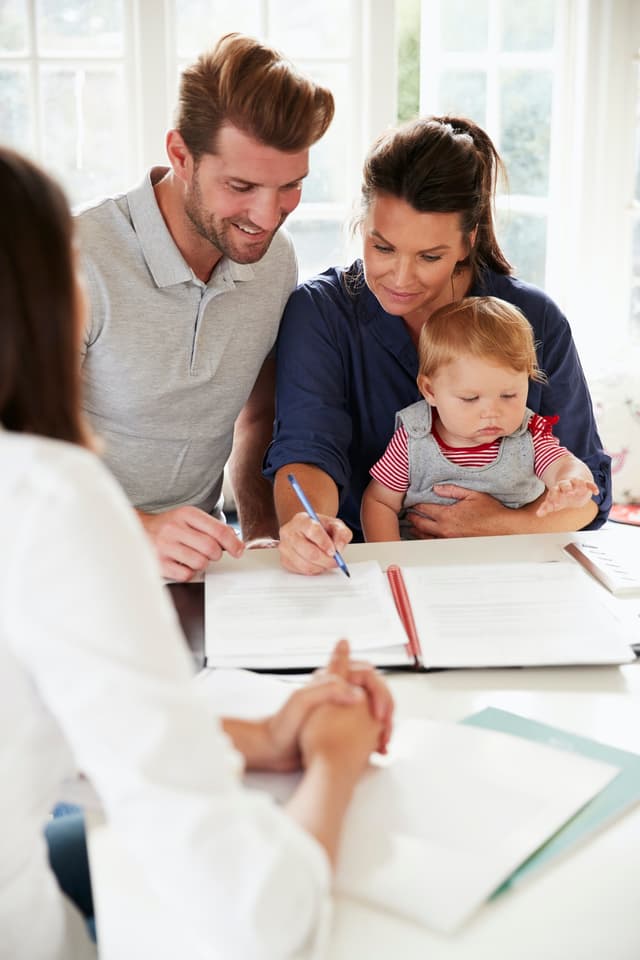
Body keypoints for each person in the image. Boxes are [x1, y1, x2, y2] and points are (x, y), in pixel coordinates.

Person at [0, 146, 393, 960]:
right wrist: (335, 764)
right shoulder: (45, 496)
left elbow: (40, 728)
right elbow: (256, 916)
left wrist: (262, 735)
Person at [263, 115, 611, 575]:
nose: (401, 279)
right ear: (362, 224)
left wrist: (504, 524)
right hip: (362, 574)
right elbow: (308, 450)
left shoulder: (535, 318)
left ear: (468, 242)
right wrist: (308, 523)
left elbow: (588, 490)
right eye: (382, 248)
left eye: (430, 257)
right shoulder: (321, 314)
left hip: (508, 574)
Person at [76, 32, 335, 582]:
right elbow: (18, 458)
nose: (267, 216)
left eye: (291, 186)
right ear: (180, 156)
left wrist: (263, 532)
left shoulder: (274, 262)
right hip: (73, 562)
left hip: (203, 570)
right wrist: (137, 529)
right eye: (241, 185)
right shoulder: (73, 259)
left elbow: (256, 419)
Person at [361, 296, 599, 541]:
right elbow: (379, 502)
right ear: (430, 391)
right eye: (470, 398)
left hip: (510, 565)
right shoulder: (413, 439)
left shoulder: (530, 437)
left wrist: (572, 483)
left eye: (508, 395)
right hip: (427, 568)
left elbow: (564, 465)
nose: (491, 412)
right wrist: (393, 561)